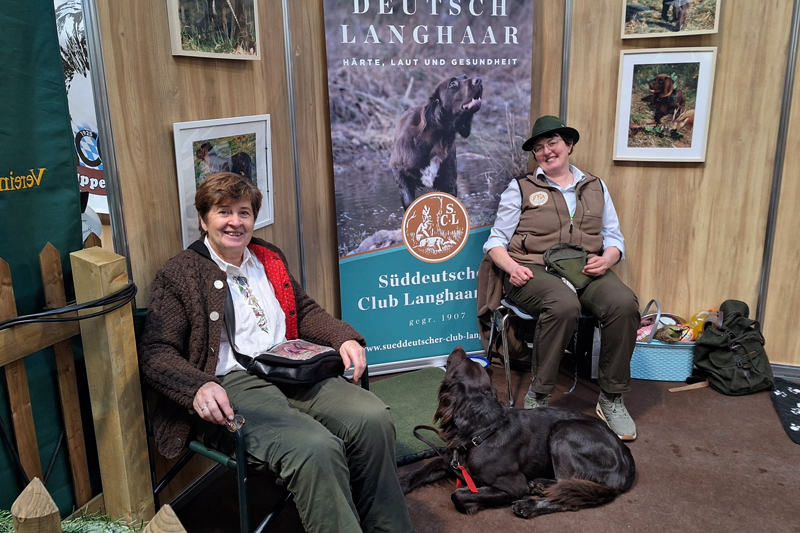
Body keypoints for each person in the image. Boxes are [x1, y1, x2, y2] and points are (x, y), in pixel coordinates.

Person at [139, 172, 413, 532]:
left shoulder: (267, 257)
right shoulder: (180, 274)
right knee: (314, 447)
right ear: (203, 219)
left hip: (290, 366)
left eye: (244, 212)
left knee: (372, 418)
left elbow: (303, 309)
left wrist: (343, 337)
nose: (235, 222)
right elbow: (155, 352)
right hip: (230, 388)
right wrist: (196, 387)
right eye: (224, 212)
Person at [482, 115, 640, 441]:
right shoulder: (521, 188)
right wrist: (512, 267)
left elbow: (614, 238)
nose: (546, 151)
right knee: (563, 304)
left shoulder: (595, 186)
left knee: (624, 304)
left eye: (552, 143)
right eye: (539, 148)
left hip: (585, 267)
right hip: (533, 269)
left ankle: (611, 398)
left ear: (568, 145)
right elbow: (496, 241)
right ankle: (539, 395)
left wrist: (608, 258)